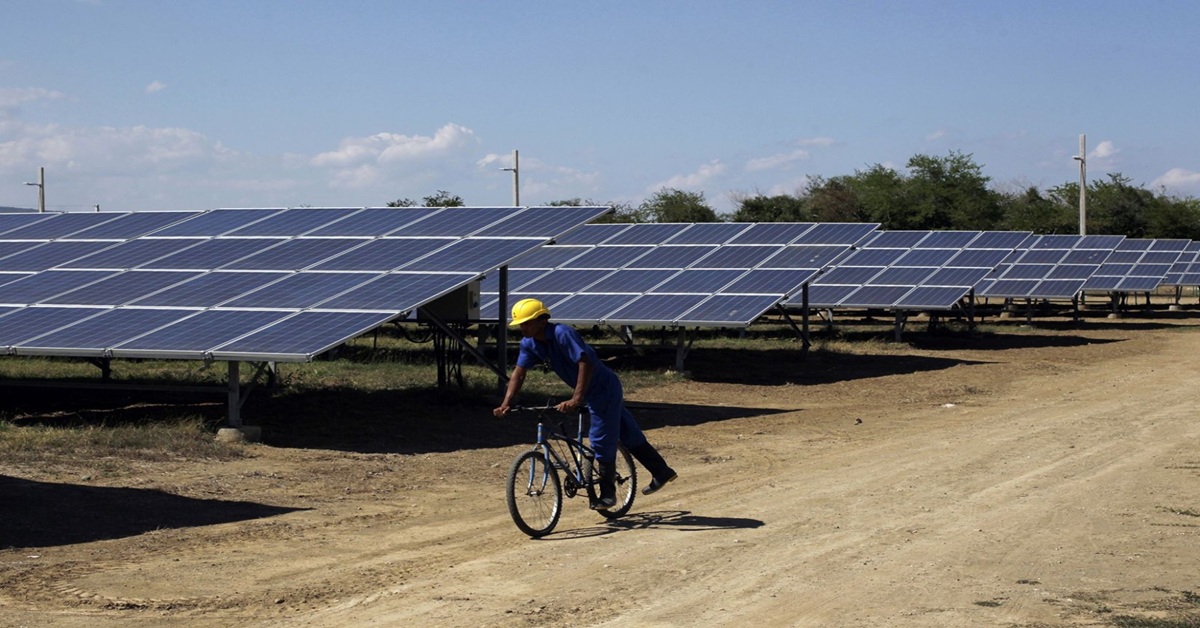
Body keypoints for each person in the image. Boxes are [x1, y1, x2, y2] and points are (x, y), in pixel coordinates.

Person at [493, 298, 677, 508]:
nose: (522, 328)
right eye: (520, 324)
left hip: (603, 389)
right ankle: (661, 471)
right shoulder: (529, 343)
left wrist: (576, 398)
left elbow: (584, 362)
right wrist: (506, 402)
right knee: (627, 432)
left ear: (542, 320)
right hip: (591, 392)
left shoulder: (563, 334)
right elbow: (519, 372)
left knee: (600, 438)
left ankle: (608, 494)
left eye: (526, 323)